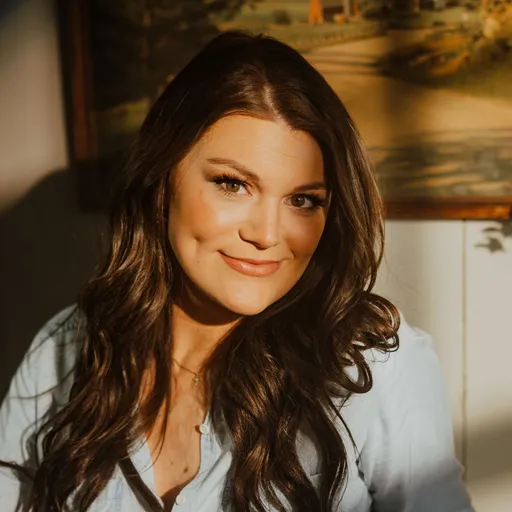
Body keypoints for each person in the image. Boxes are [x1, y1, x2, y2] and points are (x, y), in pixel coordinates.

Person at [0, 31, 473, 512]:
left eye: (302, 199)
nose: (267, 234)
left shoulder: (374, 364)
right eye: (233, 184)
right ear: (162, 180)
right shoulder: (66, 349)